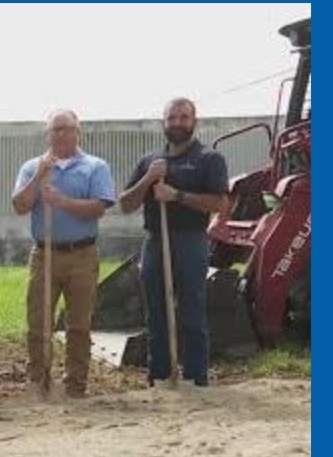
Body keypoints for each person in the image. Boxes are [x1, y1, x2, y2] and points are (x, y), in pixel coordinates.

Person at [119, 98, 228, 387]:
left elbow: (220, 203)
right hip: (155, 240)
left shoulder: (209, 158)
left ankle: (194, 377)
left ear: (194, 121)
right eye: (172, 118)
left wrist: (177, 195)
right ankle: (160, 375)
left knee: (192, 309)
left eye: (184, 117)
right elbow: (126, 204)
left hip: (191, 241)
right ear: (163, 122)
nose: (177, 122)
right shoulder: (149, 160)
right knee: (155, 311)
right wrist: (149, 180)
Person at [12, 110, 116, 399]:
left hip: (82, 254)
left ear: (77, 132)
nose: (60, 134)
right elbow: (20, 206)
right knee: (38, 322)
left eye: (66, 129)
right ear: (47, 134)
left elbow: (99, 207)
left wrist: (63, 202)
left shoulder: (95, 166)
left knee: (79, 325)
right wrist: (38, 178)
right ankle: (39, 382)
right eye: (55, 130)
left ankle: (75, 386)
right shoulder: (32, 166)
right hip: (44, 254)